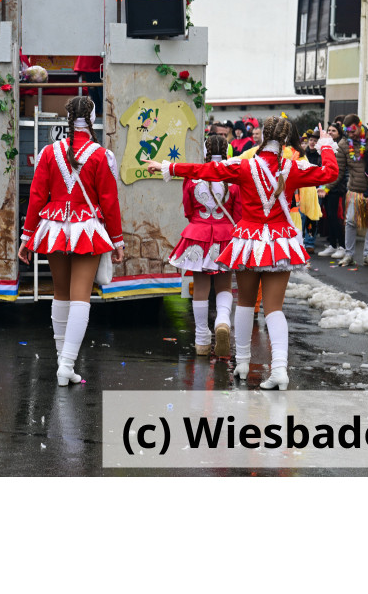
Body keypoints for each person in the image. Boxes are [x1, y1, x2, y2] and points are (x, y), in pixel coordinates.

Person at [145, 116, 339, 390]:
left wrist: (168, 167)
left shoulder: (244, 165)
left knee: (246, 302)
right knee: (274, 309)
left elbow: (206, 171)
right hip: (279, 243)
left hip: (248, 241)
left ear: (262, 138)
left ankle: (244, 363)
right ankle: (280, 369)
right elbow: (330, 173)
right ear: (285, 141)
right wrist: (327, 146)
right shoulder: (295, 167)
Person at [18, 96, 124, 386]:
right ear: (92, 117)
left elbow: (37, 198)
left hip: (53, 228)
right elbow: (110, 202)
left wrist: (26, 238)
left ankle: (60, 361)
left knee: (60, 293)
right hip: (86, 229)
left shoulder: (49, 152)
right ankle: (66, 365)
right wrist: (117, 241)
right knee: (81, 295)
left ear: (67, 117)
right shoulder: (101, 155)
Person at [168, 134, 241, 356]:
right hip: (225, 236)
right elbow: (237, 215)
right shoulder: (233, 179)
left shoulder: (192, 177)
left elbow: (188, 210)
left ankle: (201, 340)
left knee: (199, 288)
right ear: (227, 151)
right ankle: (222, 322)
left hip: (197, 235)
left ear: (205, 151)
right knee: (225, 286)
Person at [337, 113, 368, 268]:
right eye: (347, 131)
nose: (350, 134)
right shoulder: (344, 144)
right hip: (355, 190)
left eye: (353, 131)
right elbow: (339, 171)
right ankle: (349, 254)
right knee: (351, 222)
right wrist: (326, 187)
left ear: (359, 125)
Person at [316, 122, 348, 258]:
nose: (330, 132)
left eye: (333, 130)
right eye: (328, 130)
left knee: (335, 217)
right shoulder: (325, 145)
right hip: (325, 187)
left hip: (335, 188)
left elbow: (337, 171)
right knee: (328, 217)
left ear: (339, 133)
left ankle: (342, 246)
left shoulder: (339, 147)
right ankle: (333, 244)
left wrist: (327, 188)